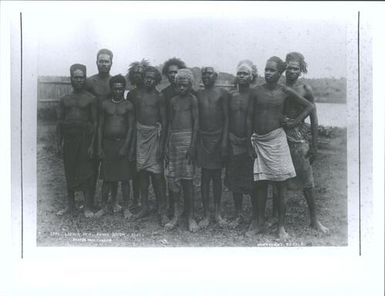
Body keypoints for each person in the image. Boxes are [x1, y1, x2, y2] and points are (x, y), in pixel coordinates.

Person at [246, 56, 314, 239]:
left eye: (272, 70)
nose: (268, 73)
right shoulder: (256, 92)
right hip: (259, 141)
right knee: (260, 184)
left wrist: (294, 122)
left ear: (279, 73)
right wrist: (248, 143)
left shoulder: (284, 91)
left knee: (281, 185)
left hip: (277, 140)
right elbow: (248, 118)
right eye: (266, 69)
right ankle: (259, 223)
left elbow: (309, 106)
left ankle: (281, 227)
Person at [282, 52, 329, 233]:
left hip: (299, 137)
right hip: (281, 136)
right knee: (281, 179)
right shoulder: (280, 87)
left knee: (307, 180)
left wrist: (315, 146)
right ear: (285, 69)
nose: (291, 71)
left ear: (300, 70)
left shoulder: (305, 89)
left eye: (295, 68)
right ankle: (278, 220)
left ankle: (314, 220)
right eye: (289, 68)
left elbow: (314, 118)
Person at [56, 64, 97, 218]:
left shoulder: (91, 99)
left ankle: (87, 207)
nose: (79, 80)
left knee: (86, 173)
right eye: (76, 77)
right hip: (69, 141)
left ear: (85, 79)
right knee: (70, 172)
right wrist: (58, 144)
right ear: (71, 79)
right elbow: (59, 122)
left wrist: (92, 145)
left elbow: (95, 123)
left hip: (85, 140)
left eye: (82, 77)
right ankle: (70, 205)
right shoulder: (64, 99)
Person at [130, 66, 169, 226]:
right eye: (147, 77)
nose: (149, 80)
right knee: (142, 174)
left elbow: (165, 122)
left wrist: (161, 144)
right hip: (140, 136)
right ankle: (144, 206)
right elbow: (132, 120)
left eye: (152, 78)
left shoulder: (159, 97)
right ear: (142, 77)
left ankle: (162, 210)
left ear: (157, 80)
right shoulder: (135, 95)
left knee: (157, 176)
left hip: (154, 136)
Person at [95, 75, 135, 219]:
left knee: (125, 178)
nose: (118, 91)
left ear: (124, 89)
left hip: (122, 143)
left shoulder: (128, 105)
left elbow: (131, 128)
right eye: (115, 88)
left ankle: (125, 208)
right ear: (111, 89)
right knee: (107, 178)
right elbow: (100, 126)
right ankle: (105, 207)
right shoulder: (105, 104)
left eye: (120, 88)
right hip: (107, 144)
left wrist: (126, 147)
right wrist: (99, 147)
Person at [164, 69, 199, 232]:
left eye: (185, 85)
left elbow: (196, 123)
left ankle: (190, 216)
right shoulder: (172, 101)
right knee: (173, 179)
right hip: (174, 141)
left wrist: (192, 145)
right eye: (179, 86)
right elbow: (170, 123)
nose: (182, 88)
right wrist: (167, 144)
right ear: (176, 85)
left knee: (187, 180)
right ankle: (176, 215)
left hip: (188, 140)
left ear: (190, 85)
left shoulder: (193, 100)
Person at [196, 66, 230, 228]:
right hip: (203, 138)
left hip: (218, 139)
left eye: (209, 73)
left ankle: (217, 212)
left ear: (216, 76)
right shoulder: (198, 94)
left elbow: (226, 119)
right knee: (204, 177)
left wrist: (224, 141)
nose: (206, 76)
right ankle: (206, 214)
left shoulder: (222, 94)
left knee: (217, 177)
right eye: (204, 73)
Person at [225, 61, 256, 228]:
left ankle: (254, 216)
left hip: (250, 142)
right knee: (235, 179)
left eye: (245, 74)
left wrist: (251, 141)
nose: (242, 76)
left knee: (251, 180)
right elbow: (227, 118)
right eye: (240, 73)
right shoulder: (231, 95)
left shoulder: (255, 94)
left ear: (251, 77)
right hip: (233, 141)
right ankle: (238, 214)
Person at [85, 48, 114, 210]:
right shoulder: (90, 82)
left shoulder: (115, 82)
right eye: (101, 61)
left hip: (109, 129)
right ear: (96, 62)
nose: (104, 64)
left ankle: (107, 202)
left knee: (110, 166)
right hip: (93, 128)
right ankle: (89, 201)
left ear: (111, 63)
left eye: (106, 61)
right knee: (92, 166)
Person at [125, 59, 150, 210]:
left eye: (142, 73)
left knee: (148, 169)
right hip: (134, 133)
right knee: (135, 168)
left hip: (149, 134)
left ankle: (145, 199)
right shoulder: (132, 94)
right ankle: (136, 199)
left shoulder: (153, 92)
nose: (139, 76)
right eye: (136, 73)